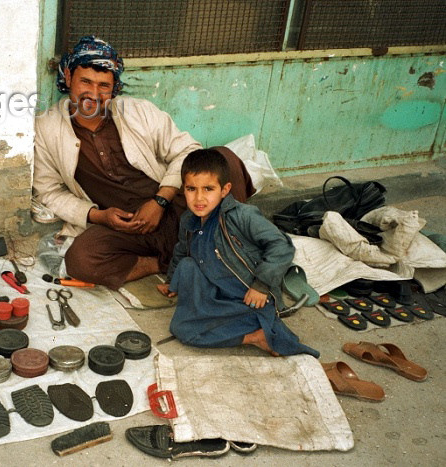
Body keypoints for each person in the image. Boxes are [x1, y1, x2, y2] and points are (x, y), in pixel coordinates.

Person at [33, 36, 254, 289]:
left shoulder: (138, 111)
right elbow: (49, 192)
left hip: (177, 209)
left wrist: (160, 201)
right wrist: (99, 216)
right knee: (81, 260)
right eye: (85, 81)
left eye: (104, 86)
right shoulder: (47, 127)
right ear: (69, 77)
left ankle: (225, 244)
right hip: (125, 227)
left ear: (114, 88)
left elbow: (188, 151)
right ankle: (168, 262)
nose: (93, 94)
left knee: (222, 159)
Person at [157, 148, 319, 357]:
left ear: (225, 190)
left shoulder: (242, 215)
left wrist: (261, 286)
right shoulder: (189, 221)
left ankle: (255, 336)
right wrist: (172, 281)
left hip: (247, 298)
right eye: (191, 189)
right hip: (214, 294)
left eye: (208, 189)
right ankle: (222, 321)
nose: (199, 198)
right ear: (183, 190)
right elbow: (181, 251)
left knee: (184, 330)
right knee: (187, 267)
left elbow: (281, 245)